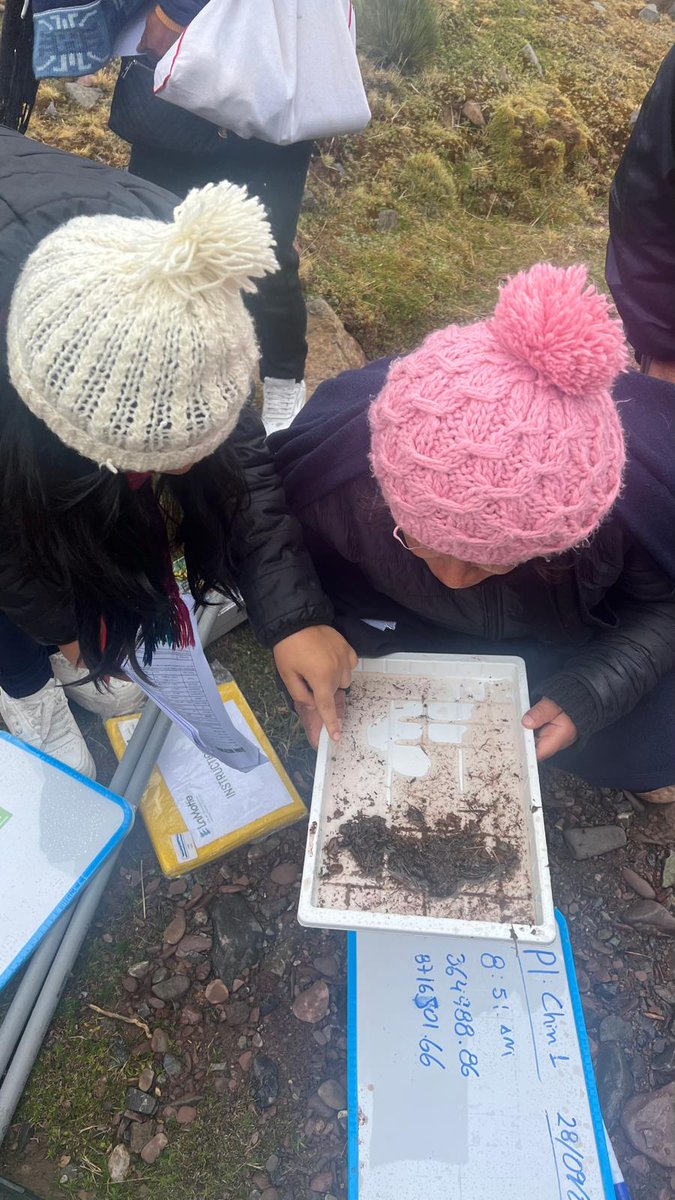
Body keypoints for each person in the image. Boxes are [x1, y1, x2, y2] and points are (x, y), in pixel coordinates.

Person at [0, 128, 356, 778]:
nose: (186, 470)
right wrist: (65, 623)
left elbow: (234, 445)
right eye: (153, 457)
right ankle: (24, 685)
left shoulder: (182, 274)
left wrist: (291, 613)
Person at [271, 263, 675, 803]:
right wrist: (301, 625)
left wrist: (593, 691)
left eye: (493, 561)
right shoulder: (343, 478)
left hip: (552, 641)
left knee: (649, 739)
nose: (457, 579)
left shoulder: (618, 509)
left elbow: (666, 606)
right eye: (418, 541)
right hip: (396, 624)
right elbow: (267, 541)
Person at [116, 1, 313, 435]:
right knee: (167, 229)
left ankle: (282, 378)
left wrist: (170, 15)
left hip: (270, 42)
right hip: (192, 54)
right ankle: (178, 370)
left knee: (261, 240)